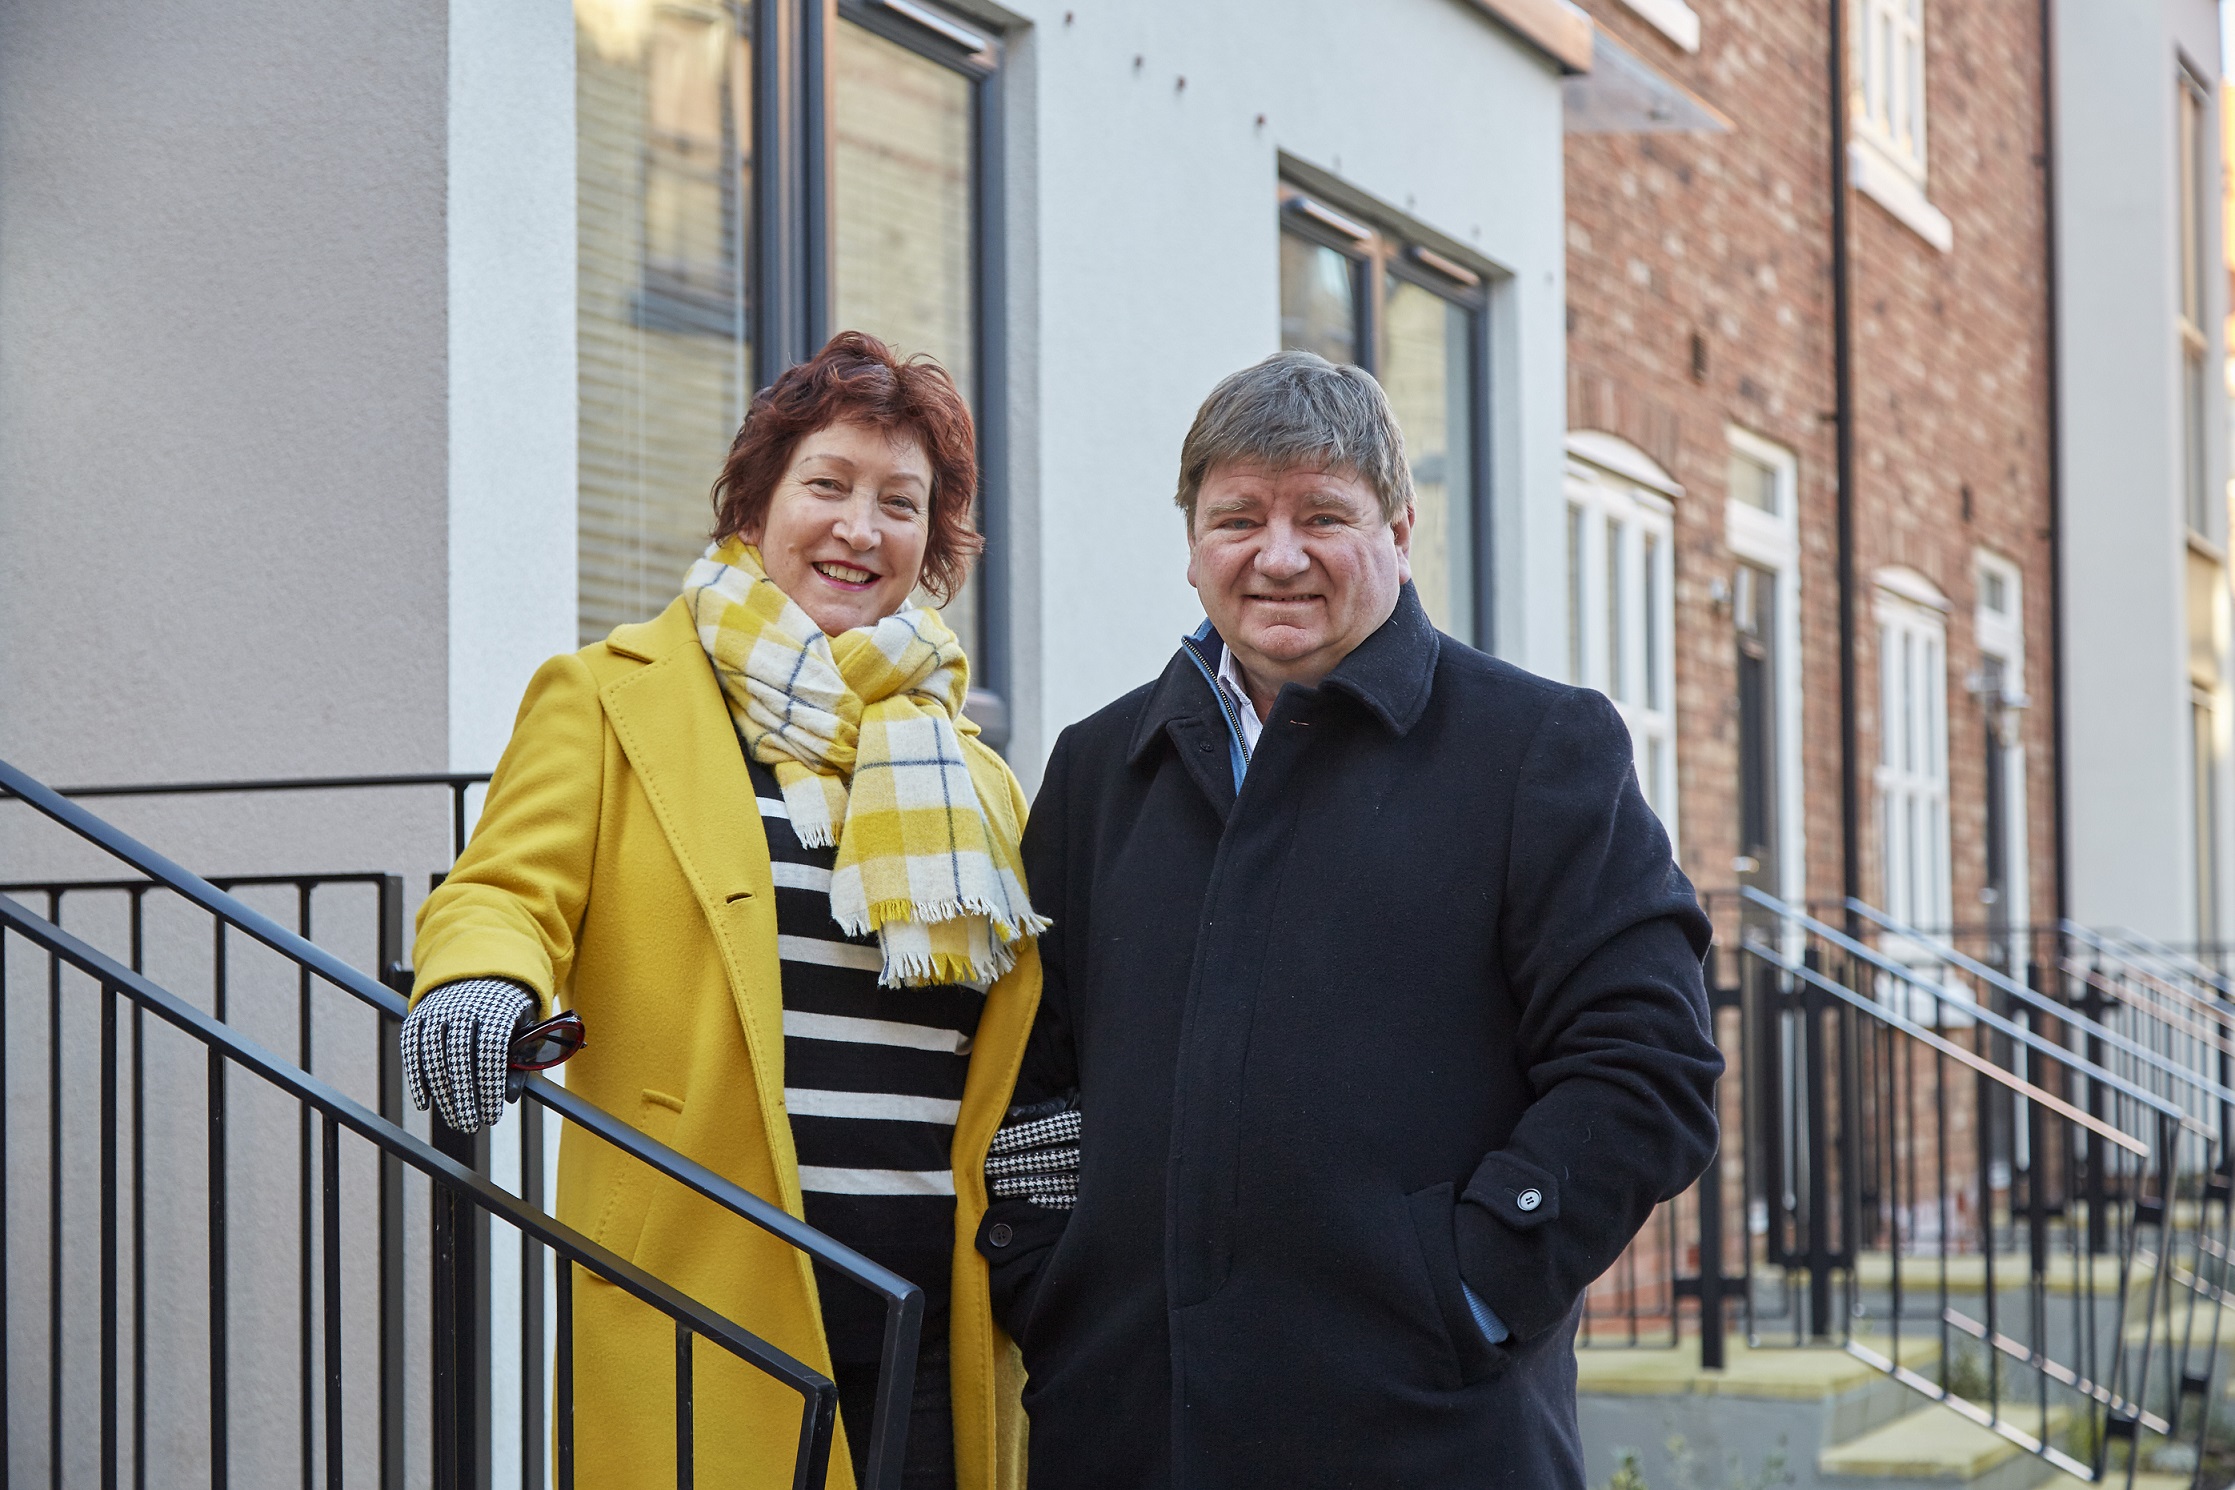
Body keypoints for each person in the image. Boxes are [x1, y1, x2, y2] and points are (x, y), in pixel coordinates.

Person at [975, 350, 1723, 1488]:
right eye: (1238, 518)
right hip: (1130, 1429)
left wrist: (1473, 1284)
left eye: (1323, 513)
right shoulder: (1098, 771)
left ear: (1400, 529)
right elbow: (1034, 1075)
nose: (1278, 555)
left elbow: (1648, 1065)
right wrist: (1051, 1275)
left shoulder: (1535, 751)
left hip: (1429, 1437)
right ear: (1191, 545)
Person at [403, 331, 1043, 1490]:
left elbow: (1014, 1029)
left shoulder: (974, 772)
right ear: (756, 504)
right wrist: (478, 981)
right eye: (830, 485)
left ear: (931, 543)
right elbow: (502, 890)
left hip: (938, 1306)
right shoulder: (607, 696)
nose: (861, 527)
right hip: (707, 1286)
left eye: (902, 501)